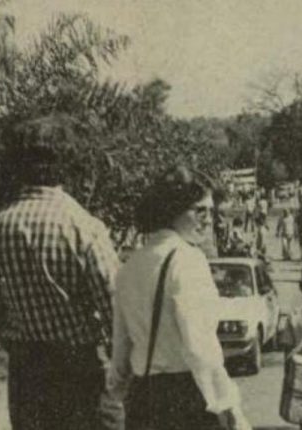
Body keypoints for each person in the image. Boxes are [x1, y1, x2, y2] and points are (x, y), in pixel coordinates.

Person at [0, 116, 121, 430]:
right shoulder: (82, 226)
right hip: (81, 368)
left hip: (27, 371)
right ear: (65, 163)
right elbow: (115, 305)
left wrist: (12, 340)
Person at [108, 166, 250, 430]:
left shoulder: (129, 266)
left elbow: (121, 346)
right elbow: (200, 346)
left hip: (141, 399)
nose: (209, 220)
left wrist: (115, 392)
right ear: (173, 209)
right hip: (185, 398)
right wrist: (229, 405)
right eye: (200, 211)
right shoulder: (187, 260)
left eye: (211, 211)